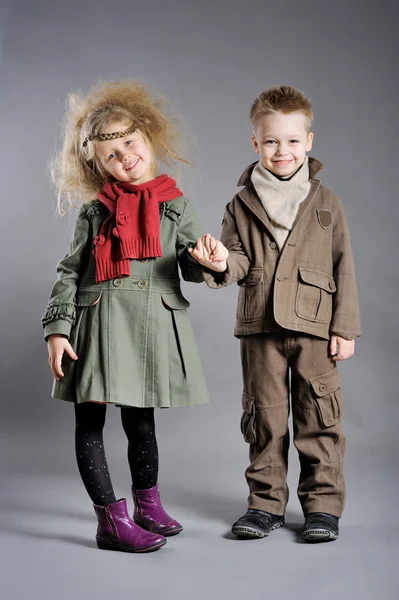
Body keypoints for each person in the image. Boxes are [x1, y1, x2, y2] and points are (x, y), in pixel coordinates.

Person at [42, 80, 226, 553]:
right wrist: (57, 330)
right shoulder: (94, 211)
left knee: (141, 421)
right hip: (98, 325)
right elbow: (70, 270)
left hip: (148, 326)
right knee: (91, 423)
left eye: (129, 142)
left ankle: (148, 504)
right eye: (110, 155)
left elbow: (185, 264)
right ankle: (110, 520)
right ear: (97, 166)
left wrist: (208, 260)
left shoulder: (177, 203)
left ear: (148, 136)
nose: (124, 156)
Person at [190, 85, 361, 543]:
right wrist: (219, 262)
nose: (281, 150)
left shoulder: (327, 203)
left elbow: (344, 265)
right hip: (260, 329)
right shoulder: (240, 203)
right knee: (264, 417)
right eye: (270, 141)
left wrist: (344, 328)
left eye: (290, 140)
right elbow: (237, 259)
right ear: (255, 145)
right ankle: (265, 505)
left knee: (319, 415)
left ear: (308, 141)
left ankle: (323, 507)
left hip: (315, 327)